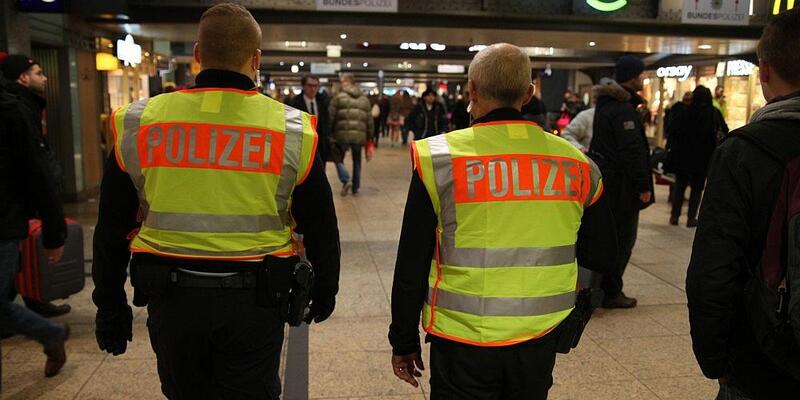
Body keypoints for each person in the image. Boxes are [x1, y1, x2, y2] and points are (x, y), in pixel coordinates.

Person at [91, 4, 340, 399]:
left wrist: (109, 304)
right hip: (255, 303)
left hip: (171, 302)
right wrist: (326, 288)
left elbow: (111, 226)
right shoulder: (293, 130)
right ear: (256, 60)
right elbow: (321, 225)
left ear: (196, 54)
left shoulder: (138, 122)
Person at [388, 43, 616, 400]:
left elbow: (411, 262)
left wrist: (403, 339)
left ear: (472, 89)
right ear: (528, 94)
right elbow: (603, 255)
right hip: (540, 338)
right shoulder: (577, 164)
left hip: (461, 340)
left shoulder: (439, 159)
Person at [687, 8, 800, 400]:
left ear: (764, 71)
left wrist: (716, 358)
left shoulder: (745, 152)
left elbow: (714, 271)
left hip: (765, 360)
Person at [0, 55, 70, 378]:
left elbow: (38, 174)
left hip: (5, 222)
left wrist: (53, 232)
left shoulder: (17, 110)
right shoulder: (17, 110)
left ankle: (47, 331)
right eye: (39, 72)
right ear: (23, 79)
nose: (44, 77)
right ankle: (47, 330)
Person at [588, 57, 654, 309]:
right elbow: (631, 150)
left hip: (608, 181)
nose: (642, 79)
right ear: (631, 76)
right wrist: (643, 186)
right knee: (623, 239)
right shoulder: (623, 110)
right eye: (640, 75)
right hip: (622, 187)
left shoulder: (606, 106)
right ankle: (612, 291)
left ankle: (603, 288)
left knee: (610, 236)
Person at [665, 86, 727, 227]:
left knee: (680, 186)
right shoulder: (713, 113)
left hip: (683, 158)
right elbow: (724, 130)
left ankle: (674, 216)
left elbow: (672, 131)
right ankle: (691, 218)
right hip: (703, 159)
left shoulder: (685, 112)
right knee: (697, 189)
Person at [329, 73, 373, 196]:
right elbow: (369, 120)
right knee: (357, 161)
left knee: (338, 157)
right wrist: (370, 136)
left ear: (346, 82)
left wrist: (329, 132)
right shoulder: (364, 99)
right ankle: (355, 187)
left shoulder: (338, 97)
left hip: (341, 134)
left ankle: (345, 179)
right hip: (359, 136)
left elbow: (331, 116)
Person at [287, 75, 331, 163]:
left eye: (316, 86)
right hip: (302, 147)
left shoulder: (322, 102)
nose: (313, 89)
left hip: (320, 146)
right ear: (304, 86)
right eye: (310, 85)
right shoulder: (295, 103)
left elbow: (326, 122)